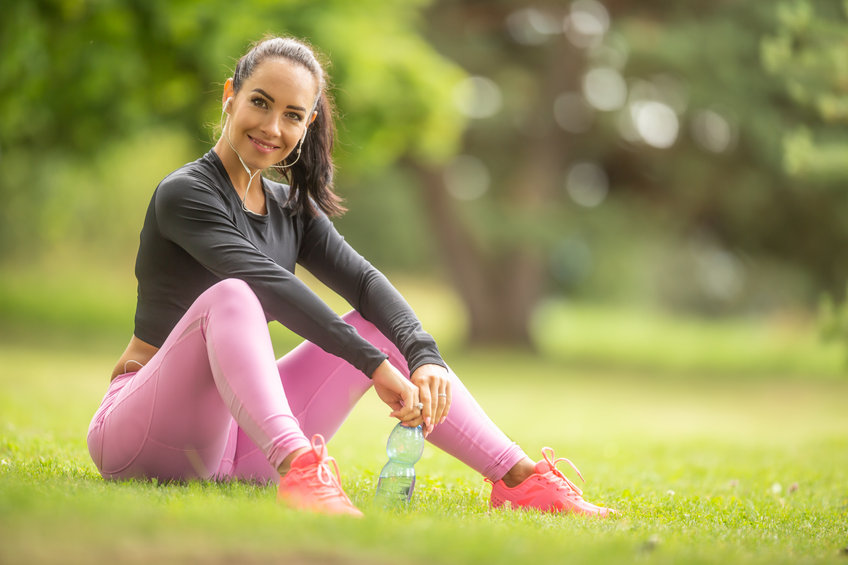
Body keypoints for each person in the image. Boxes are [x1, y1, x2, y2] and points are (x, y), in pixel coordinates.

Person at [86, 35, 613, 518]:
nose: (272, 127)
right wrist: (373, 367)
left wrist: (423, 356)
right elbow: (271, 284)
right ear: (230, 95)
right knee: (234, 295)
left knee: (377, 323)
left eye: (292, 114)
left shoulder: (293, 208)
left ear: (308, 123)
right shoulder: (186, 194)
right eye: (260, 102)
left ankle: (518, 479)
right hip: (146, 436)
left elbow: (365, 283)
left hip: (241, 447)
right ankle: (302, 470)